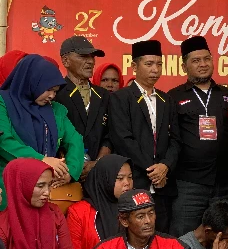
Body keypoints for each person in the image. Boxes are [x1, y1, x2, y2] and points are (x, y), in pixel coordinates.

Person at [168, 36, 228, 238]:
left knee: (227, 237)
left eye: (206, 59)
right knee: (184, 238)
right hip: (189, 183)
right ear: (184, 66)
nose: (202, 64)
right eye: (196, 60)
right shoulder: (172, 97)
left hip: (226, 181)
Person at [108, 40, 180, 233]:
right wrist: (153, 170)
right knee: (133, 235)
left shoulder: (167, 100)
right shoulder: (121, 98)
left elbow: (176, 140)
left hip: (164, 184)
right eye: (149, 64)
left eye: (159, 64)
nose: (155, 69)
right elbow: (123, 140)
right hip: (136, 180)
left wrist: (165, 166)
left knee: (162, 235)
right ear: (134, 66)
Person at [0, 54, 84, 210]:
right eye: (49, 90)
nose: (52, 96)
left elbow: (75, 140)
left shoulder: (56, 110)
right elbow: (4, 141)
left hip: (44, 190)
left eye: (55, 91)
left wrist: (69, 172)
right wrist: (41, 160)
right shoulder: (2, 102)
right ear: (33, 82)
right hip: (9, 187)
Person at [55, 36, 111, 181]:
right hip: (63, 174)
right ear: (65, 61)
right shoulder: (56, 94)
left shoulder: (104, 95)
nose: (91, 61)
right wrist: (71, 165)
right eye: (83, 56)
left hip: (99, 174)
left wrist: (97, 163)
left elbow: (110, 134)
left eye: (92, 57)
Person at [66, 154, 133, 249]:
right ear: (104, 179)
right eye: (120, 178)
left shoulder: (135, 209)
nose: (127, 183)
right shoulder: (78, 213)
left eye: (130, 177)